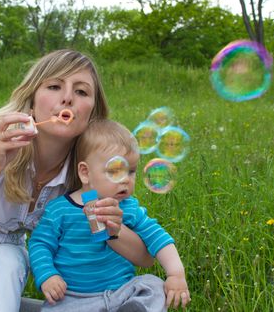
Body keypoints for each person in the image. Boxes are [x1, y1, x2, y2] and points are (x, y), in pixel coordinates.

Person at [0, 49, 154, 312]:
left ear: (92, 113)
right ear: (32, 100)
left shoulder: (85, 172)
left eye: (81, 92)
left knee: (6, 265)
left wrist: (114, 229)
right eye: (55, 86)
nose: (67, 98)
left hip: (5, 252)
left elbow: (144, 257)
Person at [29, 119, 190, 311]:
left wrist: (175, 274)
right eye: (115, 171)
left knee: (152, 285)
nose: (125, 180)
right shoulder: (59, 210)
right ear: (85, 173)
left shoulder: (129, 208)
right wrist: (47, 275)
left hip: (122, 294)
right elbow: (40, 244)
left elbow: (157, 237)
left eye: (131, 171)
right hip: (73, 298)